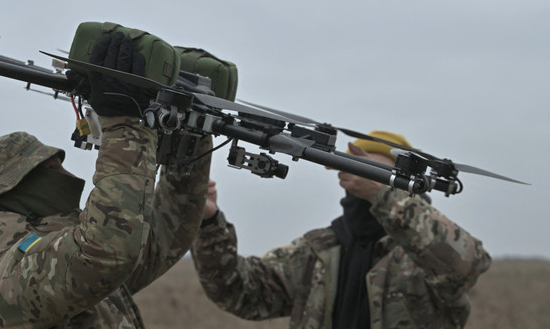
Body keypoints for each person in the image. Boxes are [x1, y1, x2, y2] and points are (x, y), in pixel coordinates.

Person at [0, 31, 212, 328]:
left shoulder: (67, 253)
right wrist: (122, 123)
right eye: (52, 169)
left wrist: (187, 144)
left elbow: (164, 235)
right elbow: (104, 253)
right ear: (16, 192)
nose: (69, 176)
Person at [191, 131, 491, 329]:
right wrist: (208, 222)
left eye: (375, 172)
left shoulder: (424, 254)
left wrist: (381, 195)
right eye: (357, 170)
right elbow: (239, 292)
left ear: (404, 186)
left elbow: (465, 266)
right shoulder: (319, 250)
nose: (363, 180)